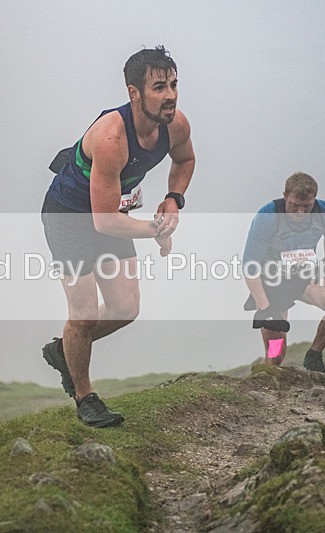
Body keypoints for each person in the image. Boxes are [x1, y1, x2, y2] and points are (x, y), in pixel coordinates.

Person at [41, 45, 196, 428]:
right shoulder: (112, 138)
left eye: (174, 84)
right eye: (158, 87)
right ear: (134, 93)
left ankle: (64, 351)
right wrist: (156, 230)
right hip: (69, 217)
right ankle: (85, 397)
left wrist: (173, 199)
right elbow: (105, 223)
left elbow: (185, 159)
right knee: (83, 316)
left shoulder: (175, 125)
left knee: (125, 308)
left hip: (110, 212)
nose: (170, 95)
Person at [242, 172, 325, 373]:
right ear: (285, 196)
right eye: (295, 205)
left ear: (314, 199)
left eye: (307, 206)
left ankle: (314, 355)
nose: (301, 211)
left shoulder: (324, 211)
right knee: (276, 355)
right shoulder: (268, 216)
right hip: (273, 283)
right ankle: (264, 376)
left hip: (305, 276)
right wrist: (265, 307)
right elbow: (250, 265)